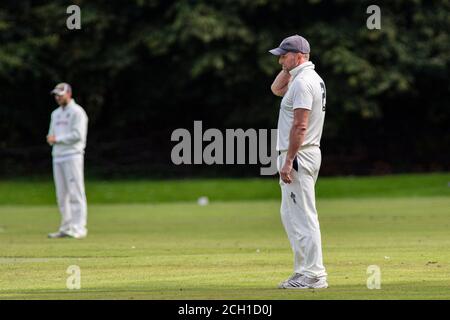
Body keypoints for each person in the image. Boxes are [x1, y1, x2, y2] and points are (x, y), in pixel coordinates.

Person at [269, 35, 328, 289]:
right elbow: (276, 90)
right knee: (291, 215)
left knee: (303, 216)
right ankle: (303, 270)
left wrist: (288, 160)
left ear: (300, 56)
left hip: (299, 154)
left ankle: (314, 275)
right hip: (301, 154)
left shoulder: (304, 82)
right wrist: (286, 68)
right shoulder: (302, 78)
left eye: (285, 54)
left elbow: (300, 125)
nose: (280, 58)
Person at [47, 83, 89, 239]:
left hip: (73, 155)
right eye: (56, 95)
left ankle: (79, 228)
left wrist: (57, 139)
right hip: (57, 156)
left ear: (69, 94)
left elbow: (78, 135)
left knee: (75, 192)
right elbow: (51, 134)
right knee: (61, 194)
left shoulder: (77, 112)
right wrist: (52, 139)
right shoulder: (55, 114)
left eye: (61, 94)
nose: (58, 97)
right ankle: (66, 227)